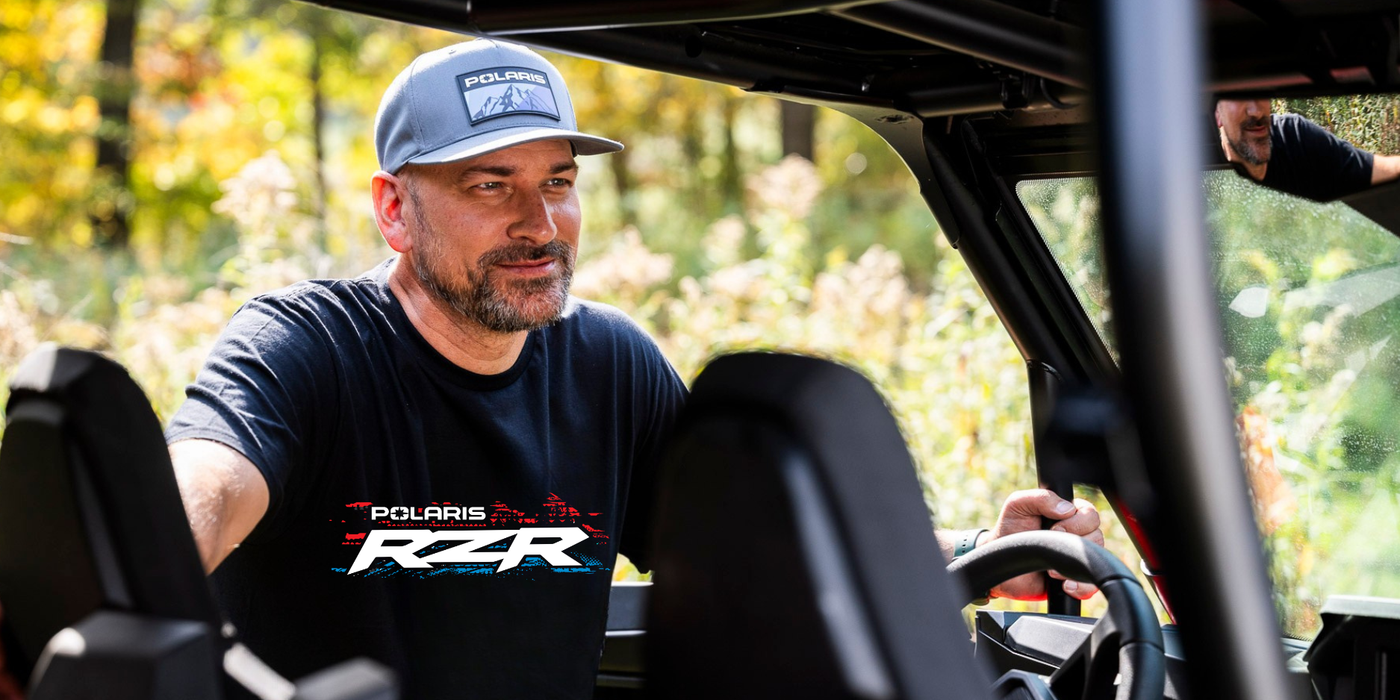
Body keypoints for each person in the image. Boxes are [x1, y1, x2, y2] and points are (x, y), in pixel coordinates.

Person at [161, 39, 1105, 697]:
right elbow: (193, 495)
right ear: (395, 211)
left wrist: (986, 550)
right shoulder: (308, 349)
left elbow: (767, 563)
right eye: (490, 185)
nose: (539, 224)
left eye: (558, 182)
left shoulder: (608, 365)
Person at [1215, 98, 1400, 201]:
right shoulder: (1192, 157)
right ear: (1217, 115)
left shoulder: (1295, 136)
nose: (1256, 111)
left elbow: (1377, 169)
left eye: (1261, 92)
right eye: (1238, 97)